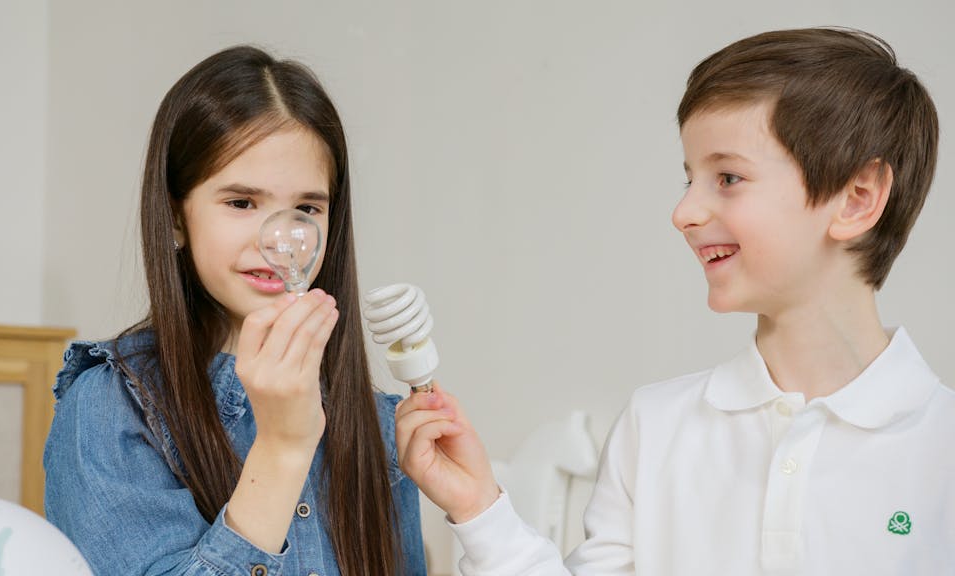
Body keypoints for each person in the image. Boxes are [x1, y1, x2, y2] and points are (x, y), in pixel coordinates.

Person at [396, 27, 954, 575]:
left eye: (728, 177)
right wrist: (478, 508)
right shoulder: (656, 426)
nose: (683, 212)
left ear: (857, 199)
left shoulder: (941, 448)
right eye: (689, 178)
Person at [44, 45, 426, 576]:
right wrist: (283, 447)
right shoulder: (111, 411)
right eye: (241, 203)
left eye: (307, 209)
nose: (281, 242)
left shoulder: (374, 423)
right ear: (176, 217)